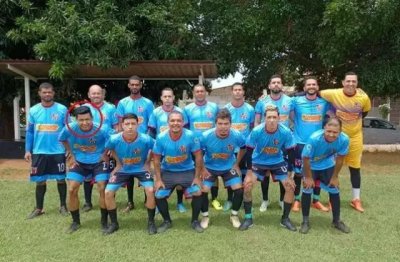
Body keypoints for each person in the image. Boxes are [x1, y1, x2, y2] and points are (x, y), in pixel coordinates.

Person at [320, 72, 371, 212]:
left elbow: (364, 112)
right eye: (348, 81)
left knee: (355, 168)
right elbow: (316, 92)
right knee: (333, 168)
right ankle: (332, 199)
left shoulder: (363, 97)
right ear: (343, 82)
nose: (350, 84)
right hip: (337, 137)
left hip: (355, 137)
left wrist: (352, 122)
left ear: (357, 83)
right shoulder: (333, 93)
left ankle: (356, 199)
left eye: (354, 81)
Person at [240, 105, 297, 231]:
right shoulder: (256, 131)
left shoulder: (286, 132)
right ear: (264, 118)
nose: (272, 120)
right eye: (269, 117)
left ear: (279, 118)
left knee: (290, 187)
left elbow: (291, 152)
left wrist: (289, 175)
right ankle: (248, 218)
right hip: (258, 161)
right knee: (247, 185)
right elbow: (248, 151)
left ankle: (285, 219)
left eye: (274, 117)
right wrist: (249, 173)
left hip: (277, 161)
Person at [59, 106, 111, 233]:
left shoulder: (102, 128)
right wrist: (70, 153)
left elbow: (113, 140)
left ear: (92, 118)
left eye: (87, 119)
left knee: (102, 188)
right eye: (81, 120)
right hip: (79, 161)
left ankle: (104, 222)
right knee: (72, 189)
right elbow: (62, 139)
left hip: (98, 162)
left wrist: (105, 152)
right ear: (75, 120)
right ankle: (75, 222)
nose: (85, 123)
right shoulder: (69, 128)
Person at [104, 114, 157, 235]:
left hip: (141, 168)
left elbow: (156, 149)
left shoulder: (146, 139)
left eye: (133, 124)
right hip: (122, 169)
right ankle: (114, 223)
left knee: (150, 190)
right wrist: (118, 163)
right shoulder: (114, 139)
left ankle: (151, 222)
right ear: (122, 125)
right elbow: (110, 149)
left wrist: (148, 163)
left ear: (138, 125)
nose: (130, 127)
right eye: (127, 124)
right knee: (108, 192)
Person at [153, 111, 204, 233]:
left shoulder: (191, 136)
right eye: (172, 120)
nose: (175, 123)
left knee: (197, 192)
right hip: (168, 171)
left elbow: (198, 156)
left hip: (187, 170)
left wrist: (197, 177)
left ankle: (195, 221)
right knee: (159, 194)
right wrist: (159, 179)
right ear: (168, 122)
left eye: (178, 121)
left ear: (183, 123)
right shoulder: (160, 137)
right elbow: (156, 160)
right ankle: (167, 221)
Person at [24, 82, 68, 219]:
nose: (47, 94)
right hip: (39, 152)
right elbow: (30, 132)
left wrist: (69, 149)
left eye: (49, 92)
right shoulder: (33, 110)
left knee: (61, 179)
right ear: (39, 93)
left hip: (58, 151)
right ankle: (39, 208)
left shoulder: (62, 109)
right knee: (40, 180)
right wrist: (27, 150)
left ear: (53, 93)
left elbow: (68, 130)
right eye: (44, 92)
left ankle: (63, 206)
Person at [300, 117, 350, 233]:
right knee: (307, 188)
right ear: (324, 129)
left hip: (327, 165)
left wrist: (335, 176)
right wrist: (308, 177)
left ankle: (336, 221)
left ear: (340, 131)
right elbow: (305, 158)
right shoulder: (314, 139)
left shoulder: (344, 140)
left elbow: (340, 159)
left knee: (334, 189)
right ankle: (305, 221)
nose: (331, 135)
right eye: (329, 131)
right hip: (311, 166)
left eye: (335, 132)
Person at [199, 109, 246, 229]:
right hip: (209, 167)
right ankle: (205, 216)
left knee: (239, 190)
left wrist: (236, 164)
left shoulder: (236, 135)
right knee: (203, 191)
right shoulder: (205, 136)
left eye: (226, 124)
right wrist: (202, 168)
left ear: (230, 124)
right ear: (215, 123)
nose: (223, 127)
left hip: (228, 166)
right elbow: (198, 153)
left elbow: (243, 148)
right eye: (220, 123)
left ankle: (234, 215)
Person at [254, 75, 293, 212]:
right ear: (269, 86)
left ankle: (282, 200)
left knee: (283, 172)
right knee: (264, 173)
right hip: (265, 141)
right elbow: (257, 122)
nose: (276, 85)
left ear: (282, 85)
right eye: (273, 83)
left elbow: (294, 119)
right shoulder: (262, 102)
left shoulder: (290, 101)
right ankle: (265, 200)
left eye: (279, 82)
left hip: (283, 143)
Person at [291, 77, 331, 212]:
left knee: (318, 171)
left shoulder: (324, 103)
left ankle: (316, 200)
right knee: (298, 173)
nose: (311, 86)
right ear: (304, 88)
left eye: (314, 84)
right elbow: (281, 106)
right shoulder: (296, 101)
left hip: (318, 144)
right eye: (309, 84)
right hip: (300, 143)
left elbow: (339, 108)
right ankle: (296, 200)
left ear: (317, 87)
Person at [116, 75, 154, 213]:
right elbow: (120, 125)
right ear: (128, 85)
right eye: (132, 84)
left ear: (141, 85)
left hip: (143, 143)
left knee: (145, 170)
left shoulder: (148, 103)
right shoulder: (122, 103)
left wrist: (148, 142)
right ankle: (130, 201)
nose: (134, 87)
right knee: (128, 172)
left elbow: (151, 125)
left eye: (137, 84)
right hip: (126, 143)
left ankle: (146, 199)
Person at [148, 87, 188, 213]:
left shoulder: (180, 112)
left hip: (178, 148)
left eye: (169, 96)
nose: (167, 99)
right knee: (160, 174)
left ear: (173, 98)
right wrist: (155, 146)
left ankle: (180, 202)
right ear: (161, 98)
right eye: (165, 96)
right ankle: (160, 201)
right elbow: (151, 132)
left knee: (180, 176)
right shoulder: (155, 113)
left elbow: (186, 130)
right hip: (162, 148)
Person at [184, 84, 221, 210]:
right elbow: (186, 128)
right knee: (196, 170)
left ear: (206, 93)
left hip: (212, 145)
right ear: (194, 93)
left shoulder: (214, 107)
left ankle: (214, 199)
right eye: (197, 91)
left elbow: (219, 125)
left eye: (202, 91)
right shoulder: (188, 109)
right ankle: (196, 195)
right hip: (194, 146)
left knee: (213, 172)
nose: (200, 93)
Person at [82, 85, 118, 213]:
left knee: (107, 177)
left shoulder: (111, 108)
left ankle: (110, 200)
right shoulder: (84, 109)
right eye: (93, 93)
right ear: (89, 94)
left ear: (103, 95)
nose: (96, 96)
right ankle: (87, 202)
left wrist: (111, 146)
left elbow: (116, 128)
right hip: (88, 149)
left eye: (98, 93)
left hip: (105, 149)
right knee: (87, 176)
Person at [223, 82, 255, 211]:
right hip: (230, 148)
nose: (237, 92)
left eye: (240, 90)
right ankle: (230, 200)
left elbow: (252, 128)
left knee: (244, 174)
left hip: (245, 148)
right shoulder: (226, 109)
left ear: (243, 92)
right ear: (232, 92)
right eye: (235, 90)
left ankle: (244, 200)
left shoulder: (250, 109)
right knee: (231, 174)